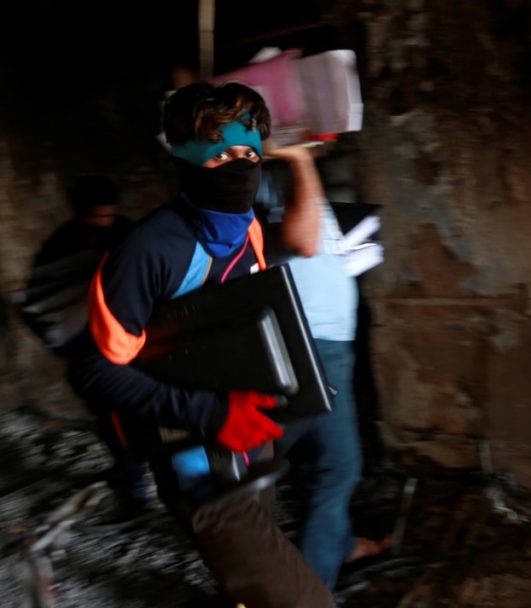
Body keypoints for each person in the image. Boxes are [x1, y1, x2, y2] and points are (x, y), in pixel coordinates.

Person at [67, 81, 333, 607]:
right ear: (187, 161)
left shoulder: (249, 229)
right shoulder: (147, 250)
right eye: (222, 155)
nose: (241, 166)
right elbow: (93, 370)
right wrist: (210, 413)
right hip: (198, 468)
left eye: (250, 153)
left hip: (249, 445)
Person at [256, 146, 389, 591]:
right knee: (309, 468)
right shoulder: (273, 173)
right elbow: (303, 240)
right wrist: (300, 158)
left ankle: (334, 550)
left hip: (325, 341)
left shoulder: (286, 176)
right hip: (307, 342)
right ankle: (298, 590)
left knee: (332, 465)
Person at [17, 175, 145, 514]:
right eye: (95, 216)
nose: (103, 223)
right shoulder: (60, 247)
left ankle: (137, 480)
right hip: (88, 348)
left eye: (108, 215)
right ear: (78, 213)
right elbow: (43, 297)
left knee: (133, 416)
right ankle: (133, 489)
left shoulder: (127, 235)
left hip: (130, 339)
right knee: (110, 418)